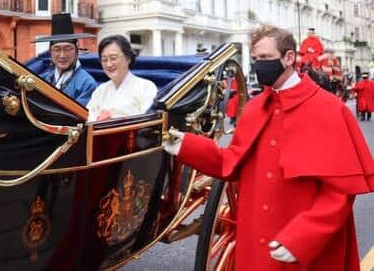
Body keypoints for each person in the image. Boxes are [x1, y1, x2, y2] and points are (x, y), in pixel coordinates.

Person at [163, 25, 374, 271]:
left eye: (265, 58)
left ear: (289, 58)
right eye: (255, 59)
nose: (258, 64)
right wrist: (187, 145)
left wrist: (303, 237)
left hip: (307, 247)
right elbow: (231, 162)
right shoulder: (254, 108)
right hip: (258, 241)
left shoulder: (329, 109)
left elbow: (339, 194)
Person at [86, 35, 158, 121]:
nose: (108, 64)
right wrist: (98, 118)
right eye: (104, 60)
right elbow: (87, 115)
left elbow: (148, 119)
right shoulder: (100, 90)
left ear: (128, 58)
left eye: (113, 58)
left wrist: (113, 119)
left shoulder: (146, 87)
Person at [34, 13, 97, 106]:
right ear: (50, 51)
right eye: (57, 49)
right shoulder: (42, 79)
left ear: (77, 48)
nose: (62, 55)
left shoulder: (87, 83)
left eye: (68, 49)